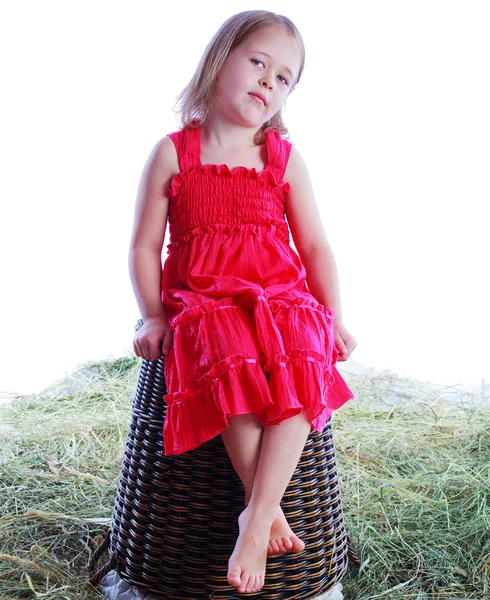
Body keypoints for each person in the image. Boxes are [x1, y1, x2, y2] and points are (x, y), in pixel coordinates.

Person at [128, 9, 357, 595]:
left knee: (305, 348)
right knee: (222, 346)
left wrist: (333, 314)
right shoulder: (175, 153)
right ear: (218, 60)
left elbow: (314, 245)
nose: (268, 81)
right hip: (204, 299)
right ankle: (265, 510)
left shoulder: (282, 158)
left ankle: (255, 514)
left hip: (278, 295)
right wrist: (154, 313)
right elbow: (145, 243)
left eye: (284, 77)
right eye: (258, 62)